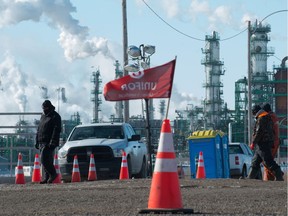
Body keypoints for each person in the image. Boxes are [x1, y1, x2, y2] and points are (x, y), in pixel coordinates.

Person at [247, 104, 283, 181]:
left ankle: (279, 175)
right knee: (255, 162)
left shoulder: (262, 118)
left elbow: (259, 132)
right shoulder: (267, 117)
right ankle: (250, 178)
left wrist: (253, 142)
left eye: (253, 113)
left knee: (268, 161)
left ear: (255, 111)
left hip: (263, 143)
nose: (253, 115)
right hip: (263, 143)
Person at [35, 100, 62, 184]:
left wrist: (52, 141)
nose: (44, 109)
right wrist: (37, 140)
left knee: (44, 160)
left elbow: (56, 130)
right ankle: (46, 177)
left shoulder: (55, 116)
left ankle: (53, 174)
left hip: (49, 142)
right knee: (47, 160)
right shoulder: (43, 116)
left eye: (45, 108)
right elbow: (39, 129)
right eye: (43, 108)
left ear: (49, 107)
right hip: (41, 141)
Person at [261, 103, 280, 181]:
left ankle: (276, 174)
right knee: (268, 160)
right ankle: (269, 178)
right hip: (275, 141)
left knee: (267, 161)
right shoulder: (274, 116)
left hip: (271, 142)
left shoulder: (269, 117)